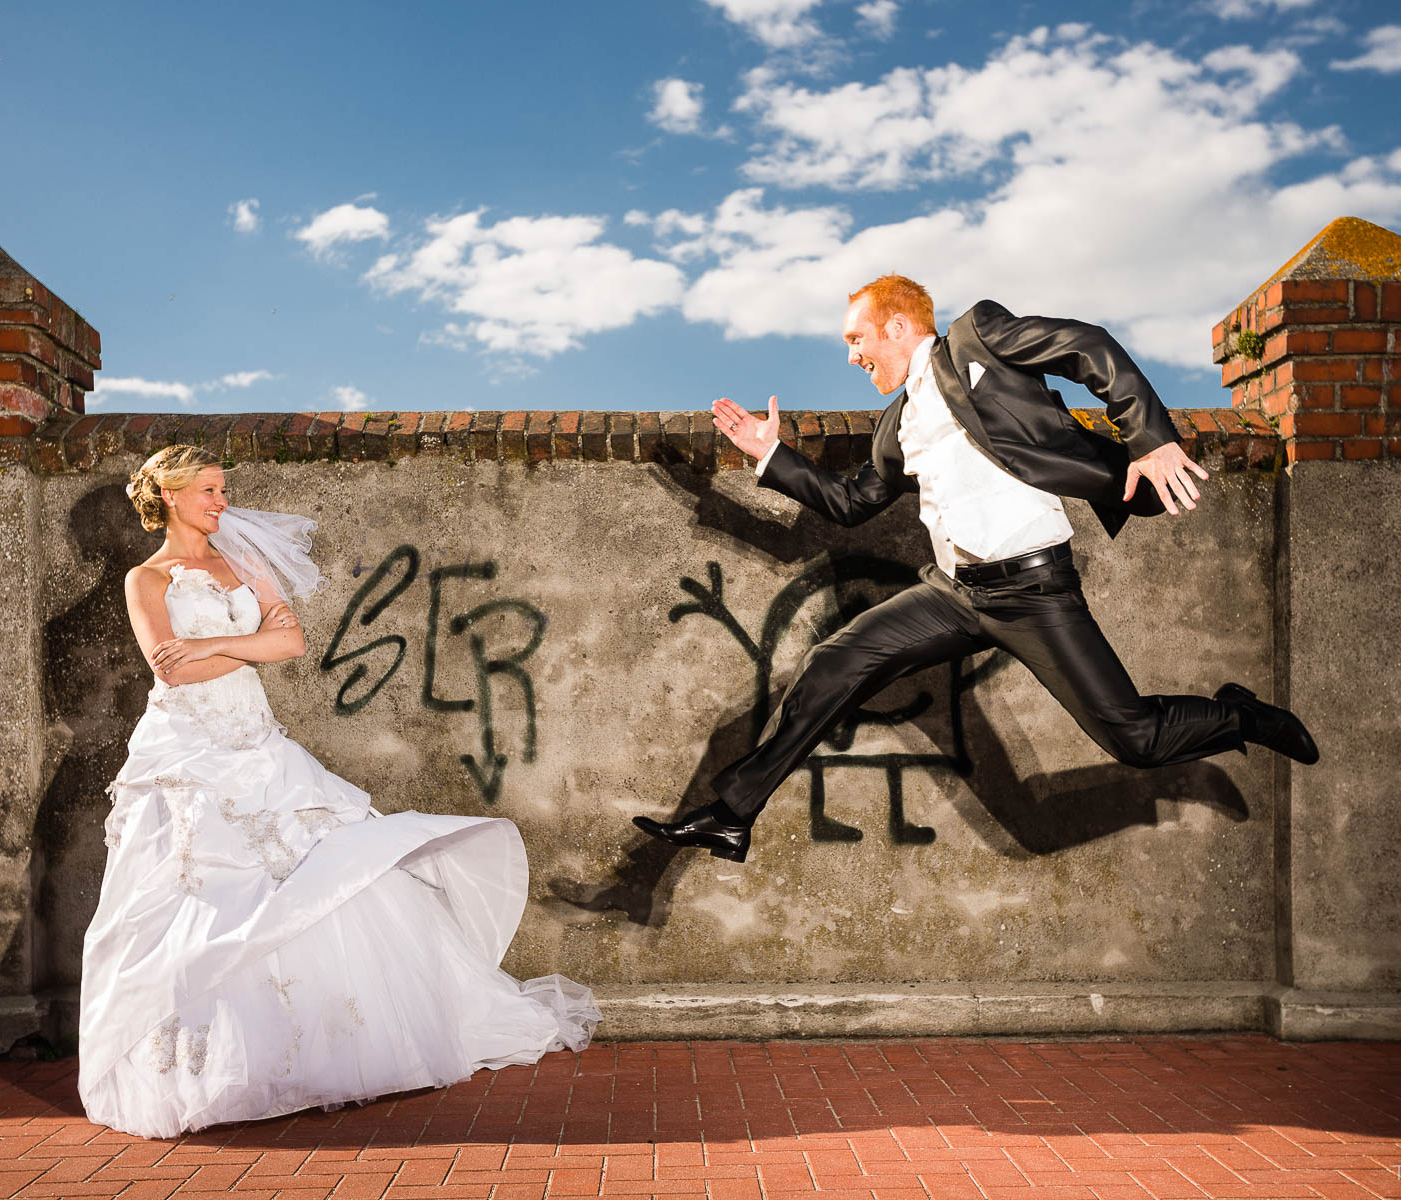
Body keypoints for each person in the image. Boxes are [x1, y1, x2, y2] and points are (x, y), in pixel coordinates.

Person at [634, 275, 1317, 863]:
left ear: (897, 325)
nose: (852, 356)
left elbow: (1088, 346)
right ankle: (732, 814)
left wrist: (1151, 438)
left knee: (1135, 738)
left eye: (857, 339)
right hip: (955, 594)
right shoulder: (894, 426)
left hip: (1035, 590)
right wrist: (769, 455)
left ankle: (1239, 715)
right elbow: (849, 504)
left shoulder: (978, 339)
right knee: (833, 665)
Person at [80, 445, 598, 1139]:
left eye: (223, 488)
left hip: (259, 745)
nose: (222, 502)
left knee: (324, 872)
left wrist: (210, 647)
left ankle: (351, 1044)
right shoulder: (145, 580)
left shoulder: (244, 563)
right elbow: (170, 671)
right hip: (190, 755)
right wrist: (239, 645)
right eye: (208, 490)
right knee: (203, 892)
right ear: (171, 496)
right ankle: (216, 1067)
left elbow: (291, 645)